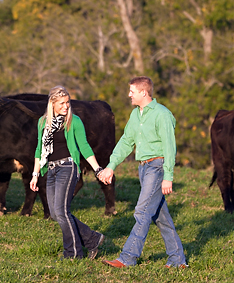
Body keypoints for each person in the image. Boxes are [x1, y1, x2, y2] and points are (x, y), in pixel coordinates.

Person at [97, 76, 188, 269]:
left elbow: (169, 147)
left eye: (132, 91)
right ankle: (178, 260)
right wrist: (111, 166)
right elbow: (126, 142)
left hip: (157, 167)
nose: (129, 95)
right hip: (143, 168)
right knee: (160, 216)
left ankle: (127, 258)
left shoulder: (162, 114)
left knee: (142, 211)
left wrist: (168, 177)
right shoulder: (135, 115)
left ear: (143, 92)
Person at [30, 86, 106, 259]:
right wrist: (35, 174)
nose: (66, 106)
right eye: (62, 103)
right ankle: (92, 238)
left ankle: (73, 254)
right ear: (52, 103)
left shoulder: (74, 121)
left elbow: (84, 147)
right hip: (50, 169)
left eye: (68, 102)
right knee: (56, 214)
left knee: (62, 212)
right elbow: (39, 149)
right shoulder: (43, 122)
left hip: (68, 167)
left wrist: (98, 169)